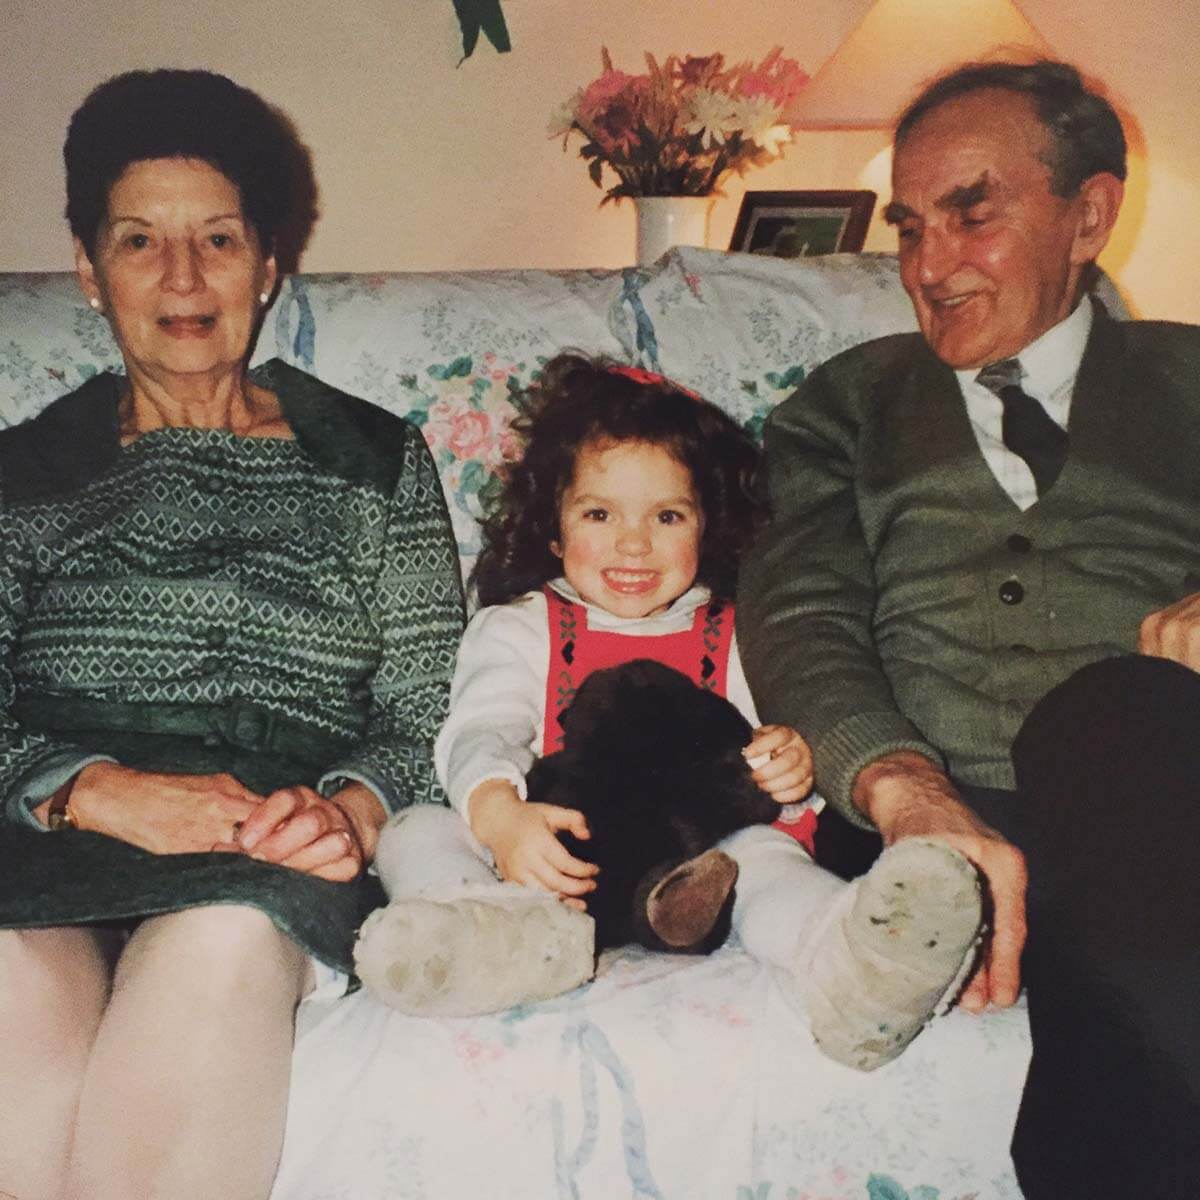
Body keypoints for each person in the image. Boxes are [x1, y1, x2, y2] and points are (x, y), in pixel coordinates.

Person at [738, 58, 1200, 1197]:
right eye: (908, 226)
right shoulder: (840, 406)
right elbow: (800, 612)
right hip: (933, 821)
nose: (927, 266)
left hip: (1163, 790)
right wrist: (903, 787)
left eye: (972, 214)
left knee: (1121, 716)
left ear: (1088, 214)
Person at [0, 69, 464, 1200]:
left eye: (216, 238)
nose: (182, 277)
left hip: (263, 851)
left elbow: (428, 704)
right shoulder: (22, 471)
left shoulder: (374, 458)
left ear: (268, 263)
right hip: (49, 831)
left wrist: (345, 809)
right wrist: (94, 789)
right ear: (88, 271)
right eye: (138, 241)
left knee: (216, 951)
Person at [354, 352, 985, 1074]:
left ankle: (847, 962)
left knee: (764, 854)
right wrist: (500, 816)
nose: (633, 542)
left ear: (705, 528)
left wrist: (790, 765)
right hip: (544, 864)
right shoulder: (523, 625)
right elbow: (480, 728)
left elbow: (771, 752)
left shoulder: (734, 631)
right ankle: (474, 933)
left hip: (692, 876)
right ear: (553, 530)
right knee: (414, 829)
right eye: (599, 513)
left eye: (667, 515)